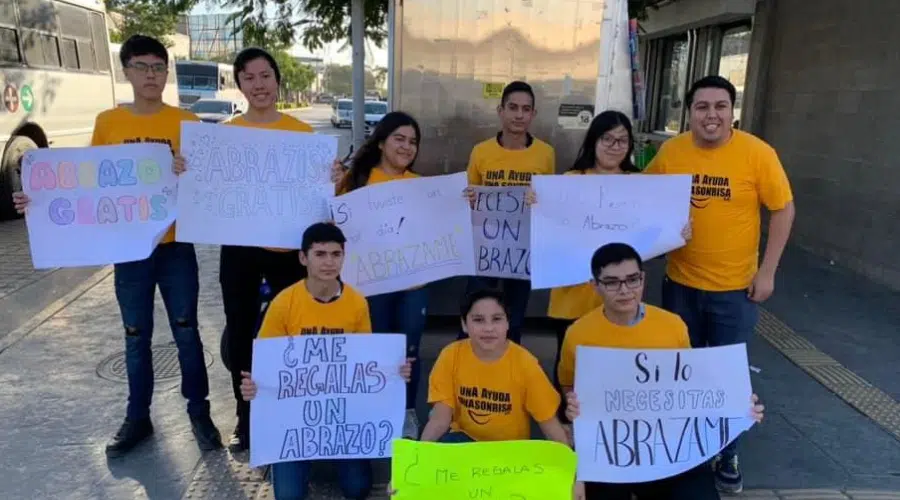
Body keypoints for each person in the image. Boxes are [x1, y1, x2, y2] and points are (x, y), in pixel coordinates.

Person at [12, 35, 222, 457]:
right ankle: (138, 417)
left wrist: (191, 171)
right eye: (142, 66)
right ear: (125, 71)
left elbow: (210, 187)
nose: (151, 75)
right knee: (135, 336)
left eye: (159, 67)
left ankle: (200, 412)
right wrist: (39, 198)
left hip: (176, 247)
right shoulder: (109, 123)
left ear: (167, 73)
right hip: (130, 254)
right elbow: (84, 184)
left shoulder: (189, 123)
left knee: (186, 332)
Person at [645, 75, 795, 493]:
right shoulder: (672, 152)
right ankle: (681, 446)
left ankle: (726, 449)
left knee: (727, 375)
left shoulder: (757, 154)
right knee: (679, 370)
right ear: (688, 112)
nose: (711, 115)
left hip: (736, 290)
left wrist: (768, 271)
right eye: (702, 107)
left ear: (732, 111)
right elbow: (638, 195)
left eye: (720, 106)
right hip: (680, 285)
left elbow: (783, 209)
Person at [204, 47, 342, 453]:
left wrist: (333, 178)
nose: (259, 85)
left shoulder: (301, 134)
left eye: (266, 76)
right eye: (249, 77)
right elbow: (208, 190)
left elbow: (320, 196)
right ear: (240, 84)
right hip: (241, 250)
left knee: (292, 333)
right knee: (243, 332)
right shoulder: (225, 134)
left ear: (277, 80)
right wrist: (186, 169)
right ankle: (246, 422)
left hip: (286, 251)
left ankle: (291, 413)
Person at [557, 242, 765, 499]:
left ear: (643, 279)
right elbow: (569, 385)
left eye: (632, 280)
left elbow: (694, 388)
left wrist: (738, 405)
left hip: (666, 449)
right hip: (610, 452)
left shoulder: (672, 326)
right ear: (594, 285)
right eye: (612, 282)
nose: (624, 290)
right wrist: (573, 407)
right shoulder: (578, 333)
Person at [239, 222, 413, 500]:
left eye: (336, 254)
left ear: (344, 257)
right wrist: (253, 387)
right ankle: (289, 462)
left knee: (357, 489)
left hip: (342, 413)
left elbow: (363, 362)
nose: (329, 262)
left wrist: (393, 371)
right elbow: (267, 366)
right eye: (320, 254)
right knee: (288, 496)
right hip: (294, 417)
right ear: (303, 258)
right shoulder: (284, 303)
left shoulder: (356, 302)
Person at [525, 111, 690, 387]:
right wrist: (537, 206)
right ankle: (570, 426)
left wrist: (677, 233)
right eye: (607, 139)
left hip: (620, 298)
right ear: (594, 141)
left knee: (615, 375)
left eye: (622, 140)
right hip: (572, 298)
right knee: (573, 373)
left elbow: (654, 238)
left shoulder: (641, 185)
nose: (615, 146)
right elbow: (549, 233)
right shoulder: (568, 180)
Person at [389, 288, 579, 498]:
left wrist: (574, 474)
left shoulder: (525, 364)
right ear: (464, 324)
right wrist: (415, 463)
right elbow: (440, 419)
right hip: (465, 444)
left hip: (511, 455)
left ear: (508, 323)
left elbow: (548, 424)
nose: (488, 328)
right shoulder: (451, 356)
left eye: (497, 319)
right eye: (478, 320)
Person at [335, 111, 428, 441]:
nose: (406, 147)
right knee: (375, 348)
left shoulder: (420, 186)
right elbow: (333, 224)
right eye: (399, 139)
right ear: (381, 142)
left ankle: (406, 413)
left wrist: (460, 204)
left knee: (409, 350)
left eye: (413, 142)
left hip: (412, 285)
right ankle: (374, 411)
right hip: (370, 285)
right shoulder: (357, 181)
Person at [462, 80, 556, 345]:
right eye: (512, 107)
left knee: (514, 319)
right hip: (486, 248)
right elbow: (469, 197)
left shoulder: (546, 154)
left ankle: (509, 368)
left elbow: (548, 201)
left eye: (526, 109)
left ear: (533, 114)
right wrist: (469, 197)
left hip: (522, 250)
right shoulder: (481, 152)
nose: (519, 115)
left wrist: (540, 201)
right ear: (500, 110)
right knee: (476, 309)